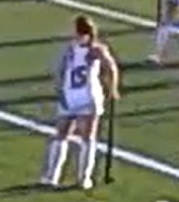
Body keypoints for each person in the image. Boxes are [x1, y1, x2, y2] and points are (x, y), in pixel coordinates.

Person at [40, 16, 120, 191]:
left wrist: (112, 89)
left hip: (84, 96)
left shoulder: (94, 49)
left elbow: (111, 67)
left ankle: (81, 177)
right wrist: (112, 88)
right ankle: (56, 175)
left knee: (82, 136)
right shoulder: (74, 48)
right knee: (64, 134)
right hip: (73, 96)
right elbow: (111, 68)